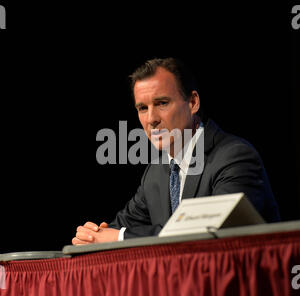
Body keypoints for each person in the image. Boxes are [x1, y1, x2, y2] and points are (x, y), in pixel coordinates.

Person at [72, 58, 280, 245]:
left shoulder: (234, 157)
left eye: (162, 103)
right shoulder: (155, 173)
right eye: (142, 108)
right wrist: (92, 236)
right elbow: (119, 227)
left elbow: (208, 234)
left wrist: (119, 237)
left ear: (192, 102)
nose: (151, 119)